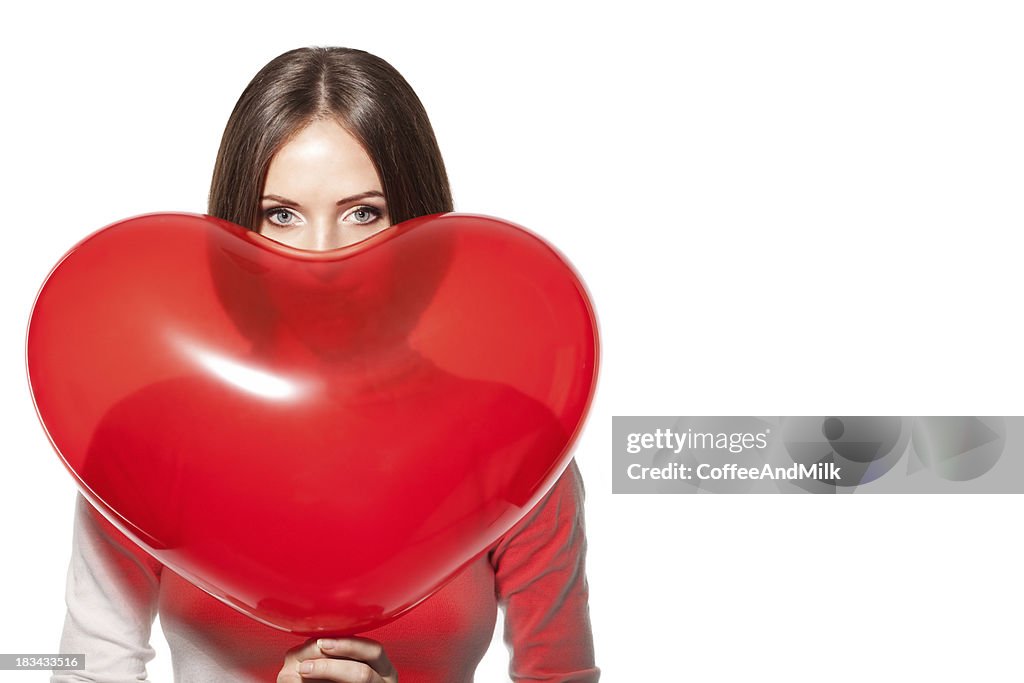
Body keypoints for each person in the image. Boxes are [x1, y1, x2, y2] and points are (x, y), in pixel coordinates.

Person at [52, 47, 599, 682]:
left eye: (364, 213)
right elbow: (86, 670)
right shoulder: (142, 437)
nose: (321, 262)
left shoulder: (516, 443)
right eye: (279, 215)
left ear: (422, 223)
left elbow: (561, 676)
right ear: (233, 229)